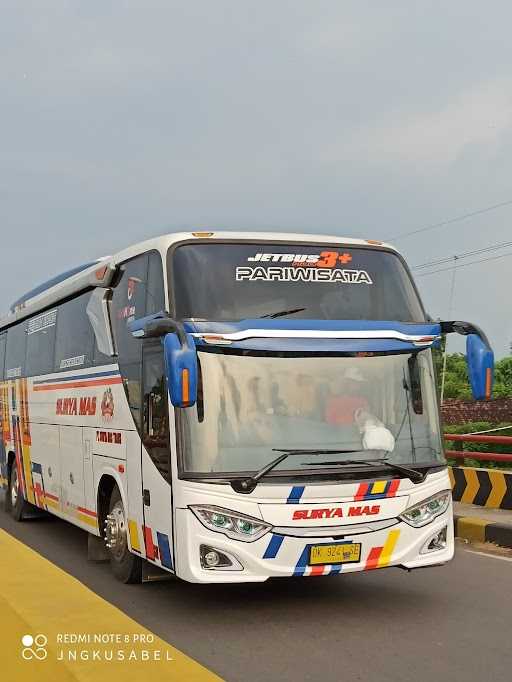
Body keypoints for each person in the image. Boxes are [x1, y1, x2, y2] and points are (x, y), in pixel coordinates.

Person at [324, 366, 395, 452]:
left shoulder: (363, 402)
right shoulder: (332, 402)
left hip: (360, 446)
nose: (358, 386)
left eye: (359, 383)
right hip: (338, 445)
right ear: (347, 383)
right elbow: (328, 429)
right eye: (355, 383)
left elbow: (369, 424)